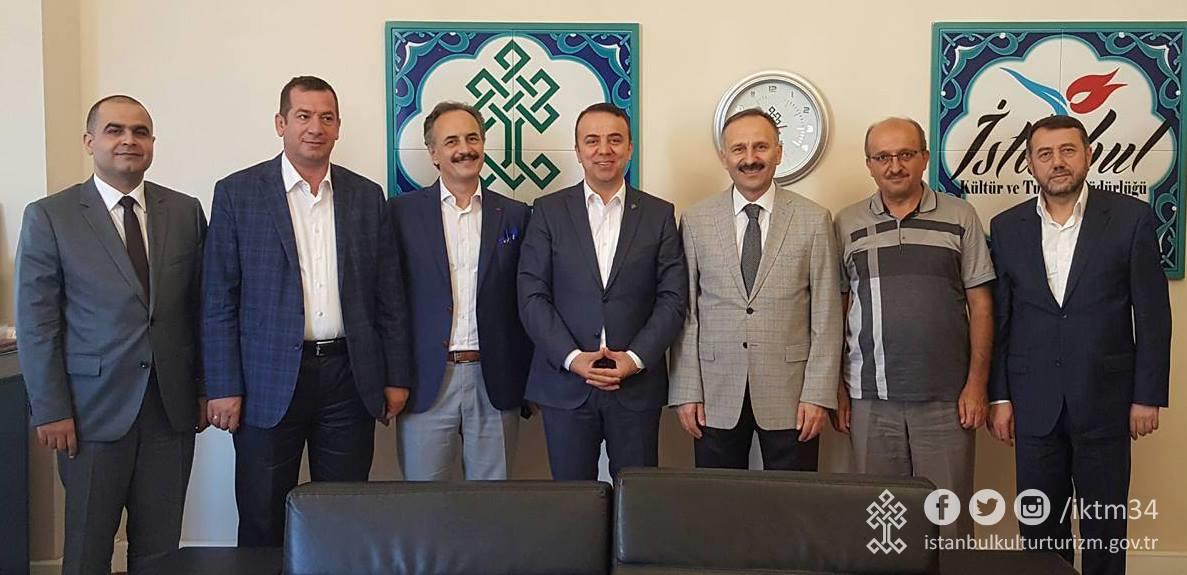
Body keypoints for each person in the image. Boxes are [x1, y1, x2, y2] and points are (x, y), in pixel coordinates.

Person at [203, 76, 411, 546]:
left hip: (348, 376)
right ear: (281, 123)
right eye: (303, 116)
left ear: (338, 127)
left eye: (326, 118)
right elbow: (219, 299)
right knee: (262, 513)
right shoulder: (238, 193)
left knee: (343, 513)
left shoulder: (366, 195)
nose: (315, 127)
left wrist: (395, 375)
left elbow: (389, 296)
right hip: (265, 379)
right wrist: (223, 385)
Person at [16, 95, 208, 573]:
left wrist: (206, 389)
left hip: (170, 409)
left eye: (140, 132)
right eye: (115, 130)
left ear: (152, 143)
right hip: (89, 413)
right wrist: (51, 408)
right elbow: (38, 324)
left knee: (160, 548)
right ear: (89, 142)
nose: (129, 140)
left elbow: (203, 311)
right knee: (87, 545)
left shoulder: (184, 211)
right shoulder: (51, 216)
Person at [988, 114, 1171, 575]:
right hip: (1033, 403)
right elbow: (1001, 320)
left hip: (1106, 400)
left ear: (1088, 155)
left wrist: (1147, 396)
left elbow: (1153, 316)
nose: (1057, 162)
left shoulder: (1130, 219)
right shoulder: (1006, 227)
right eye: (1045, 154)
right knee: (1039, 531)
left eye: (1068, 150)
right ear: (1030, 163)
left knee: (1104, 528)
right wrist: (1000, 396)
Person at [832, 117, 994, 537]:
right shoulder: (847, 223)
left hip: (947, 399)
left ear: (924, 157)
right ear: (869, 164)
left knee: (948, 522)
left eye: (905, 154)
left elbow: (981, 305)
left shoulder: (960, 216)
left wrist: (977, 385)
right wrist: (838, 389)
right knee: (880, 526)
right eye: (883, 157)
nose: (895, 166)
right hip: (870, 397)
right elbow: (838, 308)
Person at [518, 102, 688, 480]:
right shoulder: (547, 211)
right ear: (578, 150)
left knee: (636, 500)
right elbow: (532, 296)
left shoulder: (659, 214)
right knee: (572, 501)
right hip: (567, 383)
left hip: (635, 385)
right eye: (592, 140)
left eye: (615, 139)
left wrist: (635, 358)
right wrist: (572, 358)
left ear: (630, 148)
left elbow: (673, 298)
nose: (604, 149)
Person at [669, 108, 842, 470]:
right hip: (715, 393)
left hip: (793, 395)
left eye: (761, 147)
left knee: (794, 498)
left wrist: (817, 394)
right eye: (739, 149)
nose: (750, 158)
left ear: (779, 152)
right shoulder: (696, 221)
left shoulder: (814, 219)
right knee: (719, 498)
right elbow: (687, 315)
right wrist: (687, 390)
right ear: (724, 157)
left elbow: (826, 317)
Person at [389, 101, 532, 480]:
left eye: (472, 138)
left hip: (496, 378)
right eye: (451, 141)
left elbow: (529, 301)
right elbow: (390, 304)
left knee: (492, 500)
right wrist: (393, 376)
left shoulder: (516, 215)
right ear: (433, 153)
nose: (464, 149)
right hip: (425, 381)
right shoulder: (400, 214)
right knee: (424, 499)